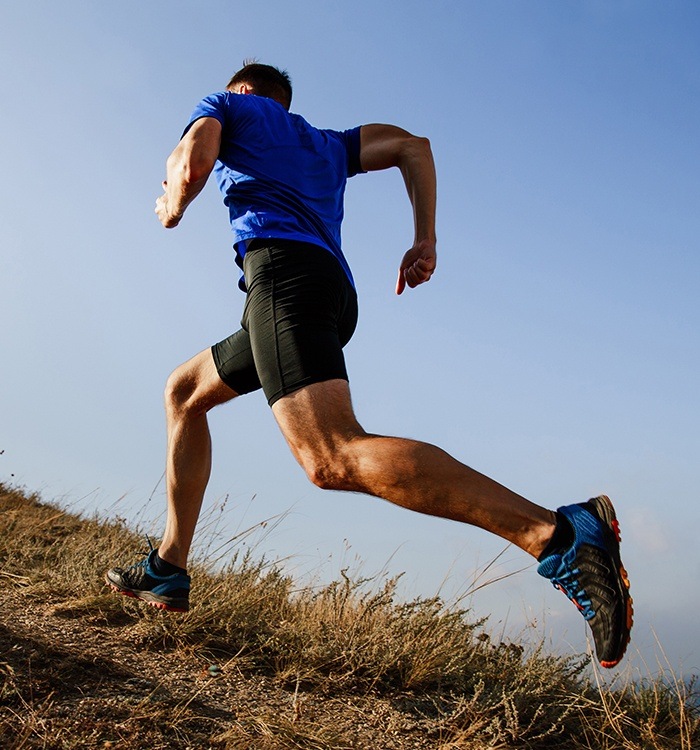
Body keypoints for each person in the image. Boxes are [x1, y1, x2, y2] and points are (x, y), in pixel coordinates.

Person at [105, 63, 633, 668]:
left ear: (244, 90)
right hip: (325, 292)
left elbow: (192, 159)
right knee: (184, 392)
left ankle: (557, 535)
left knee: (329, 456)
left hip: (284, 282)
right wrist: (425, 237)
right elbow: (414, 146)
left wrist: (173, 201)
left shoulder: (229, 105)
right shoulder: (328, 144)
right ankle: (169, 566)